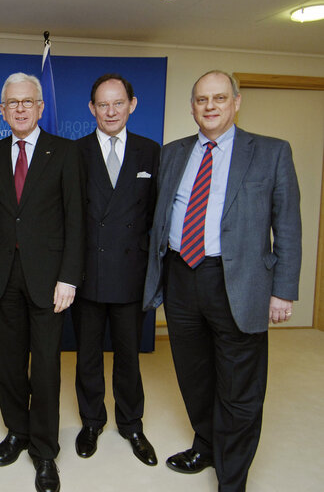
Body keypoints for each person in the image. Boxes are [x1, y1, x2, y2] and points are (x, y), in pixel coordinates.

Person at [143, 70, 301, 491]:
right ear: (191, 106)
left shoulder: (270, 153)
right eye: (201, 99)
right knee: (194, 375)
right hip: (181, 276)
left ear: (236, 101)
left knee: (239, 386)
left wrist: (282, 290)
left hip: (238, 280)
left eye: (218, 98)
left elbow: (287, 226)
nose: (209, 106)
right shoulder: (174, 153)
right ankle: (206, 444)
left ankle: (232, 478)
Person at [0, 72, 85, 492]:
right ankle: (17, 432)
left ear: (40, 108)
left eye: (27, 102)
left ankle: (44, 450)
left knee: (44, 368)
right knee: (6, 364)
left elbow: (76, 220)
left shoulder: (66, 152)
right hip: (2, 275)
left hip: (49, 280)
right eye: (12, 103)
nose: (20, 109)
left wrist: (69, 277)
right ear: (2, 111)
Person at [71, 73, 159, 466]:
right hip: (87, 273)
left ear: (132, 104)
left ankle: (132, 423)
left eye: (118, 103)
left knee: (128, 355)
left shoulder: (151, 152)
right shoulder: (74, 153)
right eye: (102, 104)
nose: (110, 111)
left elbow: (158, 218)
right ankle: (91, 421)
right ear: (91, 109)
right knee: (87, 355)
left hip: (131, 275)